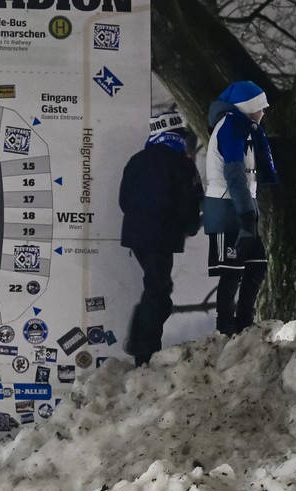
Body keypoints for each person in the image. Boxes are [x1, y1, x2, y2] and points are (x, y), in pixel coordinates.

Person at [119, 111, 204, 366]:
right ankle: (143, 351)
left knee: (157, 289)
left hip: (136, 236)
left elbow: (124, 201)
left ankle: (142, 345)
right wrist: (191, 226)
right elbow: (189, 205)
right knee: (158, 292)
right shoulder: (181, 163)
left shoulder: (137, 160)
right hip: (162, 236)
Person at [203, 80, 278, 336]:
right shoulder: (231, 125)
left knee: (257, 265)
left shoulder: (244, 128)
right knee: (232, 270)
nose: (264, 112)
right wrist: (247, 215)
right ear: (248, 106)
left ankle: (244, 322)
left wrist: (249, 211)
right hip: (226, 207)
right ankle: (225, 327)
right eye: (261, 106)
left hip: (243, 206)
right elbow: (234, 173)